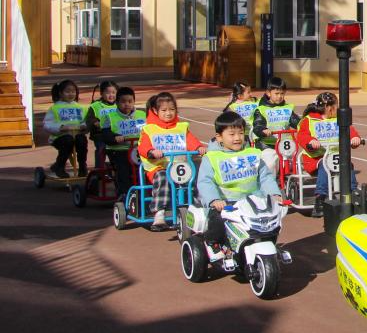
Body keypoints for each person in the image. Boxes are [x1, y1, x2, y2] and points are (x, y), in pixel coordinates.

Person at [196, 111, 283, 257]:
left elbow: (265, 177)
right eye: (231, 134)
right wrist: (214, 200)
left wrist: (274, 193)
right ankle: (213, 243)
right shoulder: (211, 157)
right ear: (219, 137)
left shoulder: (252, 154)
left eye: (241, 133)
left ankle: (265, 245)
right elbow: (205, 181)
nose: (237, 138)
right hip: (226, 202)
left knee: (271, 220)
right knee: (217, 220)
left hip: (253, 200)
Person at [138, 92, 207, 230]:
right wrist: (151, 151)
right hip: (159, 168)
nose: (168, 113)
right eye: (164, 110)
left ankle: (198, 207)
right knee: (163, 178)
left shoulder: (181, 127)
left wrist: (199, 147)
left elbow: (190, 140)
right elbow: (143, 146)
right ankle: (159, 213)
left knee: (195, 175)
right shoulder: (149, 129)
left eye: (172, 109)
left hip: (180, 166)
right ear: (155, 111)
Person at [295, 92, 361, 218]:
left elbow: (350, 130)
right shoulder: (309, 120)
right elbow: (302, 135)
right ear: (328, 107)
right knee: (324, 165)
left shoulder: (339, 119)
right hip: (316, 158)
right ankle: (320, 197)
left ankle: (353, 191)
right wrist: (311, 141)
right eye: (336, 106)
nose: (338, 109)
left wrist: (355, 138)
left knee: (348, 164)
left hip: (336, 157)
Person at [100, 87, 146, 199]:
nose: (127, 104)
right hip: (118, 150)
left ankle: (146, 191)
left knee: (146, 167)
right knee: (123, 169)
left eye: (130, 101)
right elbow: (105, 134)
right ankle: (124, 194)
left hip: (138, 150)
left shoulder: (142, 115)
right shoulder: (110, 117)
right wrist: (115, 138)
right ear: (117, 102)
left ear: (134, 102)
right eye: (123, 102)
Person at [251, 76, 300, 174]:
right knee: (270, 164)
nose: (279, 96)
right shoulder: (261, 109)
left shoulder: (287, 108)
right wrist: (263, 130)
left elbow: (296, 122)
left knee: (294, 164)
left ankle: (290, 179)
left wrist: (303, 125)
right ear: (268, 93)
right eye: (276, 94)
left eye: (282, 93)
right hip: (267, 145)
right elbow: (257, 125)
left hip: (285, 144)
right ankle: (270, 181)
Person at [43, 79, 88, 178]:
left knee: (82, 140)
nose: (71, 94)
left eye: (73, 91)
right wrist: (60, 127)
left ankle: (82, 166)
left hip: (76, 135)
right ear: (61, 93)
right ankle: (60, 167)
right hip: (59, 137)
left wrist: (84, 126)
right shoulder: (55, 108)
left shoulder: (81, 107)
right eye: (67, 92)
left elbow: (85, 121)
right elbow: (47, 124)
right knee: (67, 141)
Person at [84, 80, 119, 169]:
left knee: (120, 150)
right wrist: (95, 122)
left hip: (116, 133)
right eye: (108, 93)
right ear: (101, 93)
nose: (111, 95)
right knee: (101, 148)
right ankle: (99, 169)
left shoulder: (120, 104)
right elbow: (89, 119)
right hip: (100, 134)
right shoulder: (95, 105)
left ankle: (118, 167)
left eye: (113, 92)